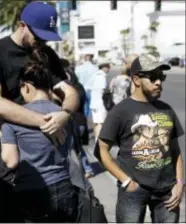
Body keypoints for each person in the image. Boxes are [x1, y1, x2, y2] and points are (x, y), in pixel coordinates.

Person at [0, 2, 79, 222]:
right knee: (4, 214)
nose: (43, 41)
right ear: (22, 25)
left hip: (36, 147)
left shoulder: (46, 54)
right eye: (39, 35)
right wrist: (45, 122)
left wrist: (64, 114)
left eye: (47, 36)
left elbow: (70, 93)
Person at [96, 54, 184, 223]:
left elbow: (176, 151)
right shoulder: (120, 111)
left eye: (161, 77)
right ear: (136, 79)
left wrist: (179, 183)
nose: (158, 82)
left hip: (167, 191)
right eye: (153, 77)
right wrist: (125, 181)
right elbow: (102, 150)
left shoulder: (167, 110)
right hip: (133, 191)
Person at [89, 59, 110, 140]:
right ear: (104, 67)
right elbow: (103, 90)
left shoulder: (94, 75)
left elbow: (89, 87)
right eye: (108, 67)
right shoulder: (102, 76)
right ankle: (99, 140)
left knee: (95, 122)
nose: (109, 68)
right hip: (100, 104)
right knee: (101, 123)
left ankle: (96, 139)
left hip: (93, 103)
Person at [75, 54, 98, 118]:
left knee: (84, 107)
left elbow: (76, 78)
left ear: (84, 58)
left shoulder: (79, 68)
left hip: (82, 89)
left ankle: (84, 122)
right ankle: (90, 122)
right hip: (91, 90)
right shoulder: (95, 68)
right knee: (91, 107)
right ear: (91, 59)